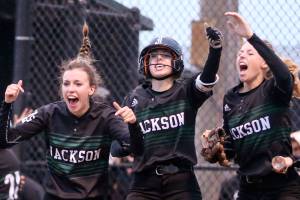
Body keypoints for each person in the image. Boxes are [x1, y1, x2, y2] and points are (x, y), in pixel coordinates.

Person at [0, 22, 143, 200]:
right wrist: (7, 104)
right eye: (66, 84)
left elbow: (137, 149)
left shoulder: (106, 116)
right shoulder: (49, 113)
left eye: (78, 84)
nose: (70, 89)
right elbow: (5, 140)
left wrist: (133, 124)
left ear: (91, 89)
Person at [117, 24, 223, 200]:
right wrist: (127, 140)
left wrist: (215, 50)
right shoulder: (134, 98)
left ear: (177, 61)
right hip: (144, 183)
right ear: (145, 62)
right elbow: (117, 147)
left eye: (165, 55)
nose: (158, 59)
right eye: (154, 56)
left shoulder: (186, 91)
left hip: (181, 182)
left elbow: (207, 79)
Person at [205, 12, 300, 200]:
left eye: (250, 53)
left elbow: (283, 75)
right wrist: (219, 148)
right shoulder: (230, 98)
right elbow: (233, 146)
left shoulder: (274, 90)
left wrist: (250, 36)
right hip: (247, 187)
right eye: (240, 53)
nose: (242, 56)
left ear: (265, 63)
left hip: (281, 187)